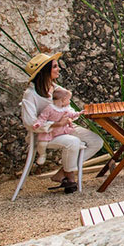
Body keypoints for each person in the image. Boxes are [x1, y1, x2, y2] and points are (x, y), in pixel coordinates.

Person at [20, 52, 104, 193]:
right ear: (45, 71)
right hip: (44, 134)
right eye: (55, 67)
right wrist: (56, 124)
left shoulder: (58, 90)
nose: (58, 69)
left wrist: (70, 117)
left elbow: (68, 109)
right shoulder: (30, 94)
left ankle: (62, 173)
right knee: (73, 142)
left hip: (65, 128)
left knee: (96, 141)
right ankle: (70, 178)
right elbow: (29, 122)